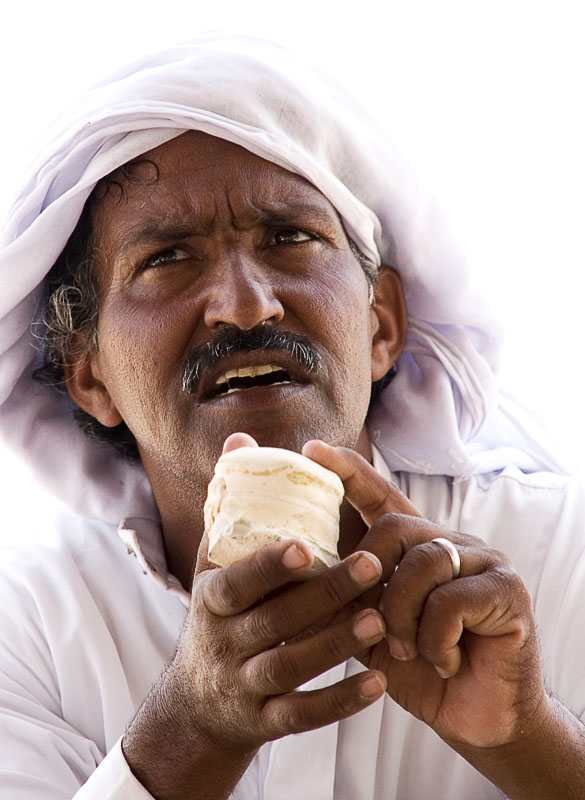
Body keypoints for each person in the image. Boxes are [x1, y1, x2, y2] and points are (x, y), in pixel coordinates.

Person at [1, 33, 584, 800]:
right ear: (89, 375)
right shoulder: (31, 629)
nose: (245, 304)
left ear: (380, 325)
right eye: (168, 257)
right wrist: (190, 731)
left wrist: (528, 740)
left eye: (289, 238)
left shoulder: (557, 559)